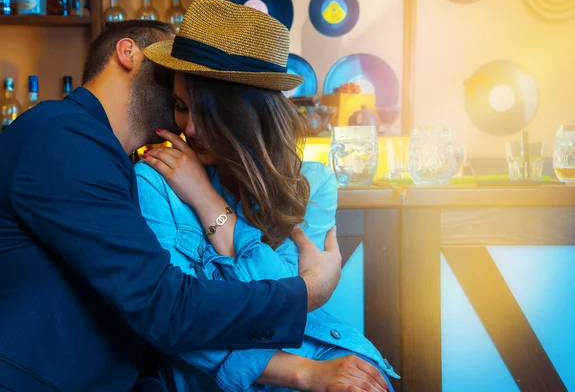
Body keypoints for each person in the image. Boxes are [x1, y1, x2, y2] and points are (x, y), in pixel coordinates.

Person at [0, 20, 343, 392]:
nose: (179, 76)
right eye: (169, 70)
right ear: (128, 53)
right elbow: (163, 307)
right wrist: (307, 292)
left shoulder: (104, 154)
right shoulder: (67, 135)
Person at [137, 0, 399, 391]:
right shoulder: (156, 179)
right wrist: (303, 373)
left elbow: (279, 311)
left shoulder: (313, 183)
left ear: (250, 113)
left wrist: (209, 202)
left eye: (207, 112)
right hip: (225, 377)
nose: (188, 128)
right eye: (180, 106)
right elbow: (175, 322)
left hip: (316, 348)